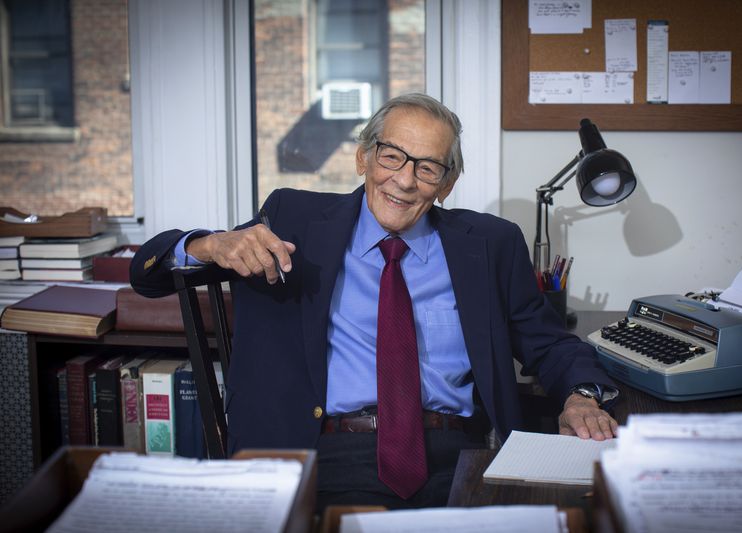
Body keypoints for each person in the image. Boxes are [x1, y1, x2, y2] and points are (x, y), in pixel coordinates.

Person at [130, 93, 619, 510]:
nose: (405, 181)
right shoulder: (293, 218)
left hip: (458, 457)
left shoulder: (489, 244)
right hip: (318, 454)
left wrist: (583, 395)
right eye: (392, 157)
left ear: (447, 184)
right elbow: (146, 273)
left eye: (428, 168)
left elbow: (547, 341)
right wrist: (208, 244)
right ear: (364, 157)